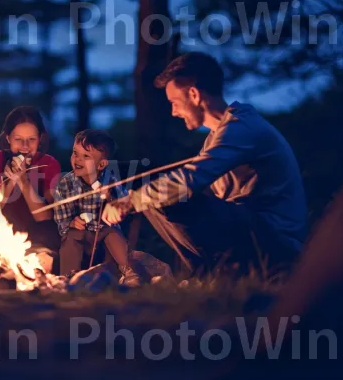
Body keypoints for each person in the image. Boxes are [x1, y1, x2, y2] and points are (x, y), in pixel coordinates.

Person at [103, 52, 308, 274]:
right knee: (157, 192)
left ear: (194, 94)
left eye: (174, 102)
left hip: (277, 242)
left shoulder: (241, 127)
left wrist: (131, 201)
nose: (174, 112)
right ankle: (212, 272)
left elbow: (189, 181)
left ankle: (211, 272)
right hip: (255, 231)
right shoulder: (220, 134)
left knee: (167, 193)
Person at [0, 106, 62, 273]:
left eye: (31, 140)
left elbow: (46, 217)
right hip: (2, 233)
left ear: (40, 139)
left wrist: (24, 182)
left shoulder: (49, 164)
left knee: (49, 233)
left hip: (37, 234)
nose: (25, 146)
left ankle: (38, 266)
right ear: (8, 138)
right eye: (18, 139)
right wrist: (10, 182)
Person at [53, 129, 142, 286]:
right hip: (81, 235)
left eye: (86, 156)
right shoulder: (66, 183)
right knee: (72, 237)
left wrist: (110, 197)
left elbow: (125, 205)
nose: (77, 159)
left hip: (103, 236)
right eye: (75, 153)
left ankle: (128, 270)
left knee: (112, 232)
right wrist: (71, 223)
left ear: (102, 164)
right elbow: (61, 217)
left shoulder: (111, 180)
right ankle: (68, 277)